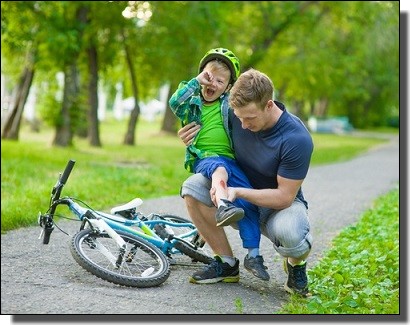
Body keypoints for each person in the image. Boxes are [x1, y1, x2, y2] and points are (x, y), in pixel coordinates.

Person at [178, 68, 314, 297]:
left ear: (269, 105)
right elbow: (207, 130)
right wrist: (190, 138)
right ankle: (226, 263)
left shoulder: (296, 139)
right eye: (239, 117)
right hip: (239, 196)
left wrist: (236, 192)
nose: (242, 125)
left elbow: (284, 197)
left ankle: (296, 265)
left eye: (249, 118)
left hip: (277, 206)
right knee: (192, 187)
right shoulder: (235, 114)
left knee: (292, 235)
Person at [169, 48, 270, 281]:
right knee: (217, 168)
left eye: (220, 81)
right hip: (206, 158)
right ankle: (223, 204)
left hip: (232, 161)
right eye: (207, 76)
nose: (211, 83)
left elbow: (253, 108)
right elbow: (175, 102)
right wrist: (196, 82)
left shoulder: (228, 104)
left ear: (228, 87)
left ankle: (253, 255)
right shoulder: (192, 102)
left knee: (247, 203)